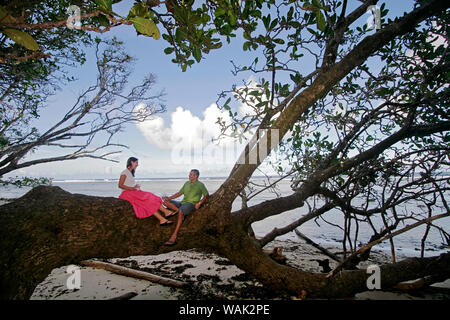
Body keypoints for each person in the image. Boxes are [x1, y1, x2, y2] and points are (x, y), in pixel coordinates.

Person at [118, 157, 175, 225]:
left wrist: (135, 188)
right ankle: (162, 218)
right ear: (131, 162)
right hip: (127, 194)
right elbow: (120, 185)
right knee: (147, 201)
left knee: (151, 197)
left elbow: (128, 184)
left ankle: (166, 213)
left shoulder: (130, 173)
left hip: (132, 192)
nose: (137, 164)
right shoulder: (124, 172)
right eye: (136, 162)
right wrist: (132, 188)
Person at [163, 169, 209, 246]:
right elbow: (179, 193)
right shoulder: (187, 183)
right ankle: (179, 211)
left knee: (181, 211)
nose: (189, 176)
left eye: (191, 174)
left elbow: (206, 195)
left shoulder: (200, 185)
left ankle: (174, 236)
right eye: (189, 174)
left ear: (196, 176)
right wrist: (169, 198)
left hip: (191, 204)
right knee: (165, 202)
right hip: (182, 203)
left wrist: (200, 203)